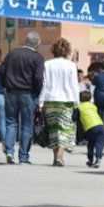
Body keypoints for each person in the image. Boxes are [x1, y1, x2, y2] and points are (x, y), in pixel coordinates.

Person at [0, 31, 45, 164]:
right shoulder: (38, 58)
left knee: (11, 123)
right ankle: (23, 156)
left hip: (11, 92)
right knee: (26, 125)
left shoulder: (12, 53)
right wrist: (37, 92)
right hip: (28, 93)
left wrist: (4, 85)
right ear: (38, 44)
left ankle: (9, 151)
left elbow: (1, 71)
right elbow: (38, 77)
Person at [38, 37, 81, 167]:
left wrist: (40, 102)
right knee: (64, 129)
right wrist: (76, 102)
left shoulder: (47, 64)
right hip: (66, 100)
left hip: (50, 100)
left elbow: (44, 84)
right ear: (67, 50)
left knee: (53, 129)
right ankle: (60, 156)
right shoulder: (72, 65)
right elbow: (74, 85)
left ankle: (56, 156)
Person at [77, 90, 104, 168]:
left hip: (91, 127)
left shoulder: (79, 107)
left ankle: (90, 160)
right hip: (101, 125)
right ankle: (98, 159)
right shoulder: (94, 106)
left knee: (91, 144)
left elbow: (74, 118)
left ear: (80, 98)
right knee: (100, 144)